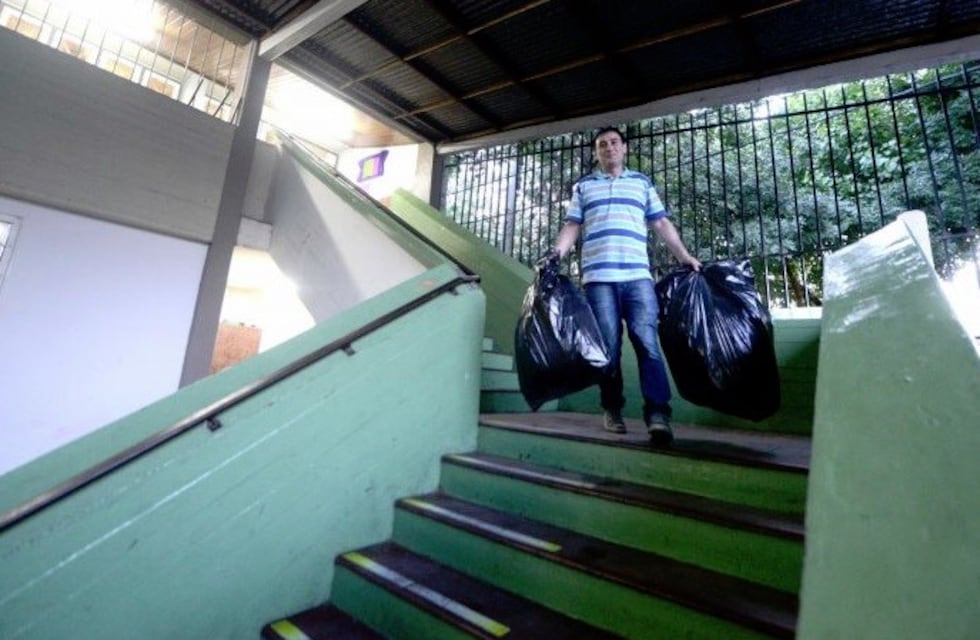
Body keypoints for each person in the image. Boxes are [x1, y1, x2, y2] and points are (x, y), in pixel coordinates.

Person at [544, 126, 701, 446]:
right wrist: (555, 254)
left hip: (638, 278)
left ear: (624, 148)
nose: (609, 147)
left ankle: (658, 415)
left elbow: (660, 222)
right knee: (609, 350)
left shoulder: (641, 182)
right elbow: (572, 225)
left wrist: (684, 256)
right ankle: (612, 408)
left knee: (647, 343)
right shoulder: (584, 186)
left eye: (614, 142)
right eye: (602, 144)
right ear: (596, 152)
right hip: (599, 279)